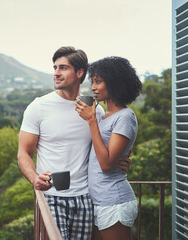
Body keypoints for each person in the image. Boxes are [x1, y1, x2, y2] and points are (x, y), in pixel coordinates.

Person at [17, 47, 130, 239]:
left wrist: (123, 160)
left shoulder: (95, 111)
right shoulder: (39, 107)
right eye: (55, 68)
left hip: (86, 197)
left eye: (63, 68)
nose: (56, 73)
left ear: (79, 73)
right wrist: (34, 178)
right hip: (52, 196)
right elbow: (23, 153)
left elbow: (107, 151)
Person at [75, 56, 142, 240]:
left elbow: (106, 164)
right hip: (99, 201)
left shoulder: (125, 116)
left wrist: (91, 121)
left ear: (114, 83)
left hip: (114, 202)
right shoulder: (106, 116)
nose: (93, 88)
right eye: (92, 82)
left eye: (98, 82)